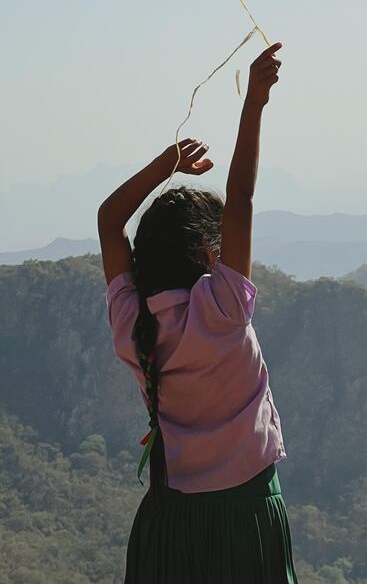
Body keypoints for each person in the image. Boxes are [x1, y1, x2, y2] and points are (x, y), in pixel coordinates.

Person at [98, 44, 298, 584]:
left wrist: (167, 164)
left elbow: (110, 220)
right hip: (246, 517)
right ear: (211, 254)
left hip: (168, 523)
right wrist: (254, 103)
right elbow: (242, 198)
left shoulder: (132, 325)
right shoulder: (222, 309)